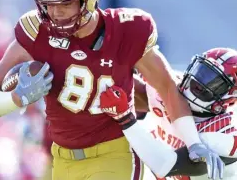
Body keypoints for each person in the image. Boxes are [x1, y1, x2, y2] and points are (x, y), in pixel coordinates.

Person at [0, 0, 223, 180]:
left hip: (112, 155)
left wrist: (193, 142)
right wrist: (15, 98)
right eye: (48, 5)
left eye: (66, 4)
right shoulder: (36, 33)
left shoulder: (129, 30)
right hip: (61, 159)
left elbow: (166, 87)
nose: (55, 14)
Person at [101, 47, 237, 180]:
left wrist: (125, 118)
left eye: (215, 83)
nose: (199, 83)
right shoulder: (169, 89)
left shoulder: (224, 134)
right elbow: (133, 91)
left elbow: (164, 166)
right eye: (201, 72)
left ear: (230, 101)